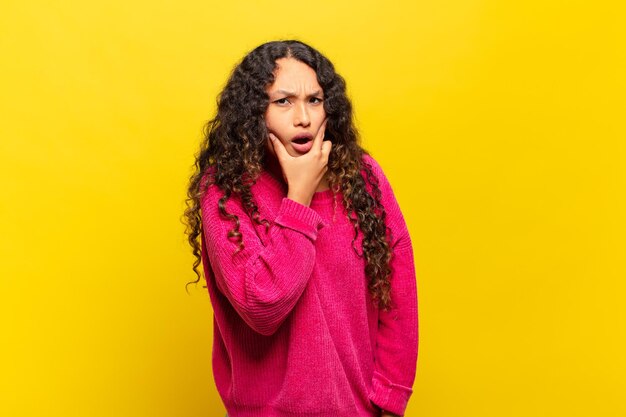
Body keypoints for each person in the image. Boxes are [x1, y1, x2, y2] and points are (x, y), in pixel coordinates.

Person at [183, 40, 418, 417]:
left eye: (314, 100)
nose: (303, 118)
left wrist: (389, 399)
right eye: (283, 101)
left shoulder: (364, 178)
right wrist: (299, 196)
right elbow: (262, 306)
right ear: (252, 112)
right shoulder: (225, 192)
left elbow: (398, 291)